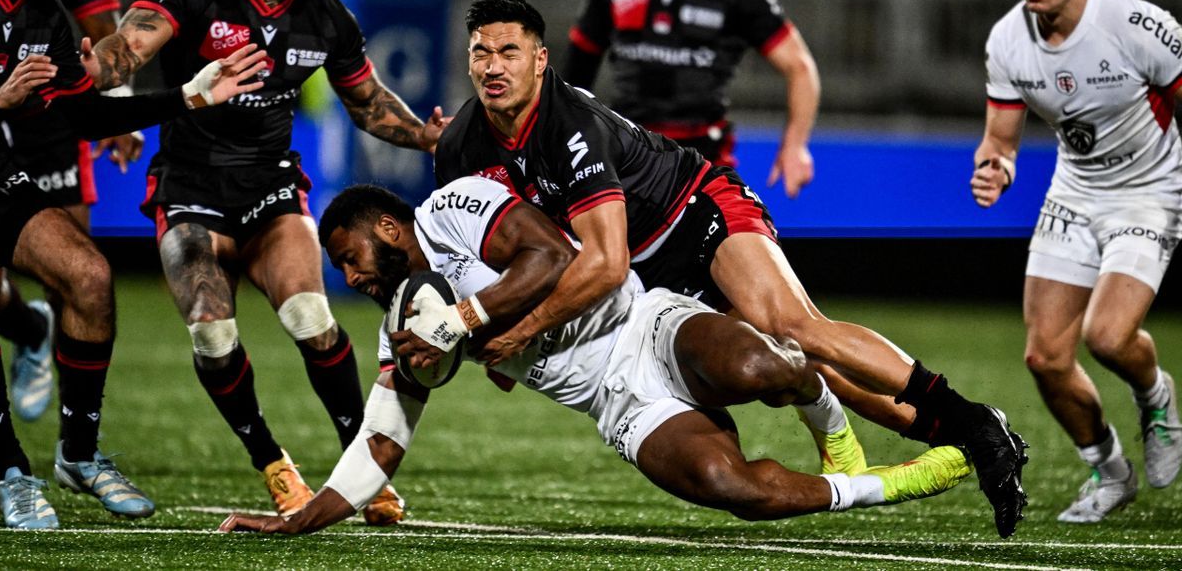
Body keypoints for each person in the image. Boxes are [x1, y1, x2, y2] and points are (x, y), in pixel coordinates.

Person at [435, 0, 1028, 538]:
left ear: (540, 60)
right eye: (480, 52)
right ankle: (970, 440)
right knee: (803, 361)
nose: (494, 66)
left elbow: (607, 263)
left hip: (695, 212)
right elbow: (482, 249)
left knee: (794, 327)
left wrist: (522, 327)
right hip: (652, 273)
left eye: (509, 51)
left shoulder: (569, 126)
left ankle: (970, 421)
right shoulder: (460, 147)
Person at [216, 178, 973, 534]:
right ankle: (891, 482)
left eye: (352, 257)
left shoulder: (452, 209)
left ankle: (832, 428)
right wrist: (302, 519)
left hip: (644, 322)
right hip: (620, 403)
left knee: (763, 366)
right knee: (731, 488)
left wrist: (470, 317)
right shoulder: (398, 328)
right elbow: (382, 439)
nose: (351, 278)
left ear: (388, 224)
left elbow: (546, 255)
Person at [82, 0, 443, 522]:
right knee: (213, 332)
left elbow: (365, 101)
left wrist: (426, 136)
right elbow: (124, 49)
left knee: (311, 317)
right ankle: (273, 463)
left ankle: (364, 463)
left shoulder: (326, 14)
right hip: (190, 186)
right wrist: (107, 76)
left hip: (271, 187)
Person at [0, 0, 269, 528]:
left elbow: (85, 115)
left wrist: (189, 96)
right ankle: (9, 471)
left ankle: (78, 456)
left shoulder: (43, 15)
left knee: (89, 276)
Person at [972, 0, 1182, 523]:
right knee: (1045, 357)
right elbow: (1000, 138)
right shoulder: (1008, 40)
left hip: (1150, 190)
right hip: (1074, 194)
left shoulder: (1135, 25)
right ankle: (1111, 473)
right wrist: (995, 167)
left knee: (1109, 337)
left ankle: (1155, 396)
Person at [561, 0, 817, 195]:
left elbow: (799, 67)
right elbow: (576, 71)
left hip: (705, 165)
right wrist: (564, 139)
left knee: (748, 241)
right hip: (626, 157)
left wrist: (795, 145)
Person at [0, 0, 140, 424]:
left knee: (74, 272)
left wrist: (120, 104)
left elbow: (101, 23)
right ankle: (30, 332)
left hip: (45, 101)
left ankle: (73, 428)